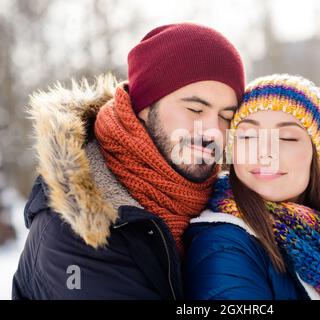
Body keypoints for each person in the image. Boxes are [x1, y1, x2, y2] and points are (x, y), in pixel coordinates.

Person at [12, 22, 245, 299]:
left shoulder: (225, 204)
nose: (213, 131)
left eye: (226, 116)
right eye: (195, 108)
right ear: (144, 107)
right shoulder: (77, 233)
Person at [184, 74, 320, 300]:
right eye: (248, 136)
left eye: (287, 138)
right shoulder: (224, 244)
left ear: (316, 158)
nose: (265, 152)